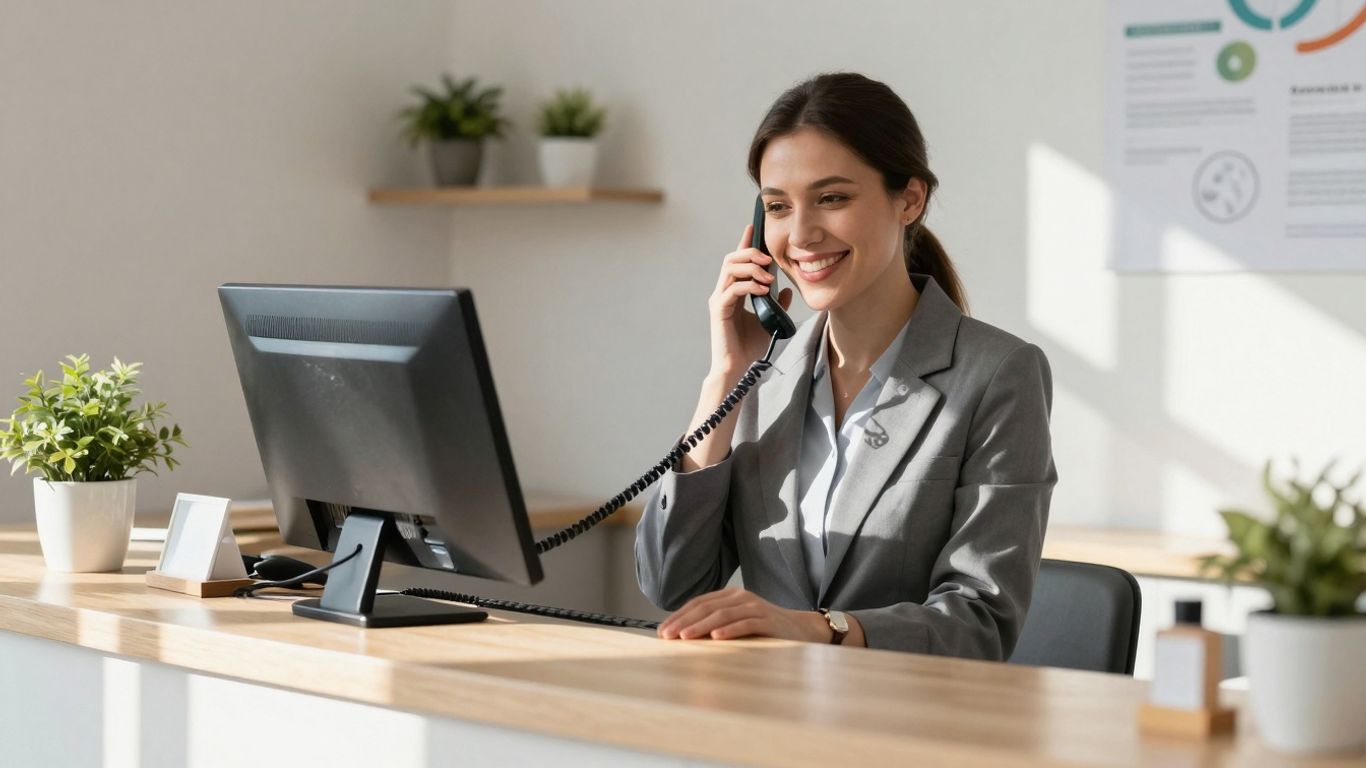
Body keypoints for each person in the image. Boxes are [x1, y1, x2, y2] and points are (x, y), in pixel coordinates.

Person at [634, 72, 1058, 660]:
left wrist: (823, 628)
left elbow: (981, 622)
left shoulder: (998, 373)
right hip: (769, 718)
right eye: (778, 207)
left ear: (910, 199)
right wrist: (724, 379)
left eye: (831, 198)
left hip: (906, 727)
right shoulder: (763, 380)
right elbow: (670, 583)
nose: (801, 234)